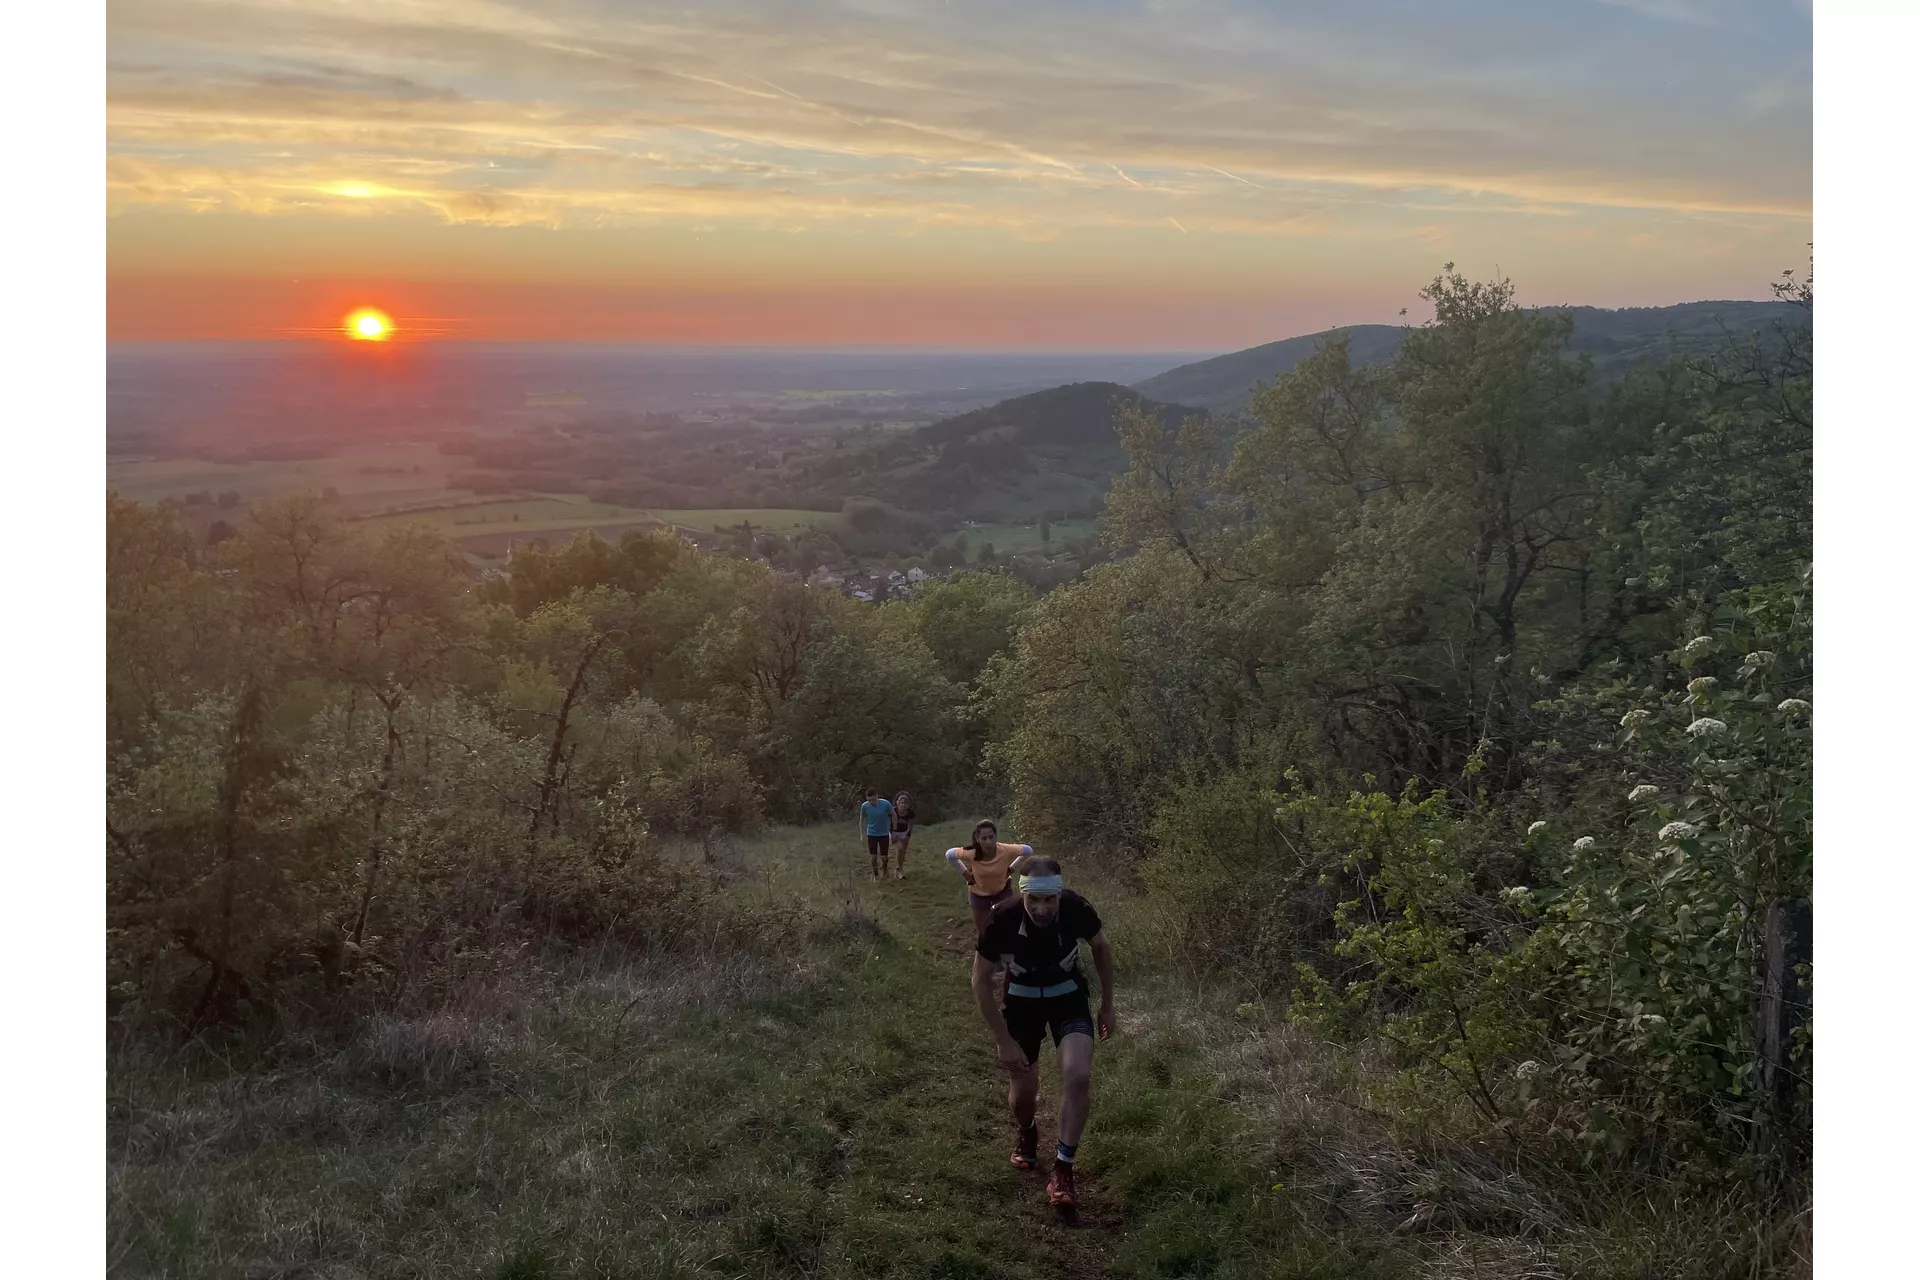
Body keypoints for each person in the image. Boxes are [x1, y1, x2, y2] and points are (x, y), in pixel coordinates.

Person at [970, 857, 1115, 1208]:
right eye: (1033, 899)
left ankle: (1064, 1169)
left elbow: (1101, 947)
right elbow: (979, 979)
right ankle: (1028, 1132)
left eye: (1049, 899)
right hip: (1021, 1004)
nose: (1041, 907)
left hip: (1067, 997)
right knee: (1023, 1094)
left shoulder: (1075, 907)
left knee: (1079, 1076)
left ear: (1059, 894)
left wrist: (1107, 1005)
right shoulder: (1002, 918)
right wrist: (1003, 1039)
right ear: (1023, 895)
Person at [945, 819, 1033, 936]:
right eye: (984, 838)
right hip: (978, 893)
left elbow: (1028, 850)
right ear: (977, 839)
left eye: (991, 837)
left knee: (1007, 926)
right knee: (983, 932)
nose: (988, 842)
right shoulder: (972, 853)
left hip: (1002, 890)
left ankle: (1006, 951)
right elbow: (950, 854)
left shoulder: (1005, 850)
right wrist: (966, 873)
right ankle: (984, 952)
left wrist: (1011, 869)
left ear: (996, 836)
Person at [858, 789, 896, 879]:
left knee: (884, 857)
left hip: (884, 833)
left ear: (877, 796)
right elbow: (861, 820)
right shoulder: (864, 806)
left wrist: (893, 831)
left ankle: (885, 870)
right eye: (869, 800)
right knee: (873, 856)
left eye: (873, 800)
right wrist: (862, 834)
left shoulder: (886, 804)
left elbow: (894, 815)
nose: (871, 802)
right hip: (871, 833)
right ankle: (875, 874)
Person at [888, 790, 916, 879]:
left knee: (903, 852)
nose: (903, 805)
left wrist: (908, 835)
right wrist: (892, 835)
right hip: (893, 832)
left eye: (905, 803)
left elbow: (911, 824)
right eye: (901, 802)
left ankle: (898, 869)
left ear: (908, 805)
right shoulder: (893, 811)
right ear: (897, 803)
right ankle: (899, 870)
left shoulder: (910, 813)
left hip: (904, 832)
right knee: (900, 849)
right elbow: (888, 823)